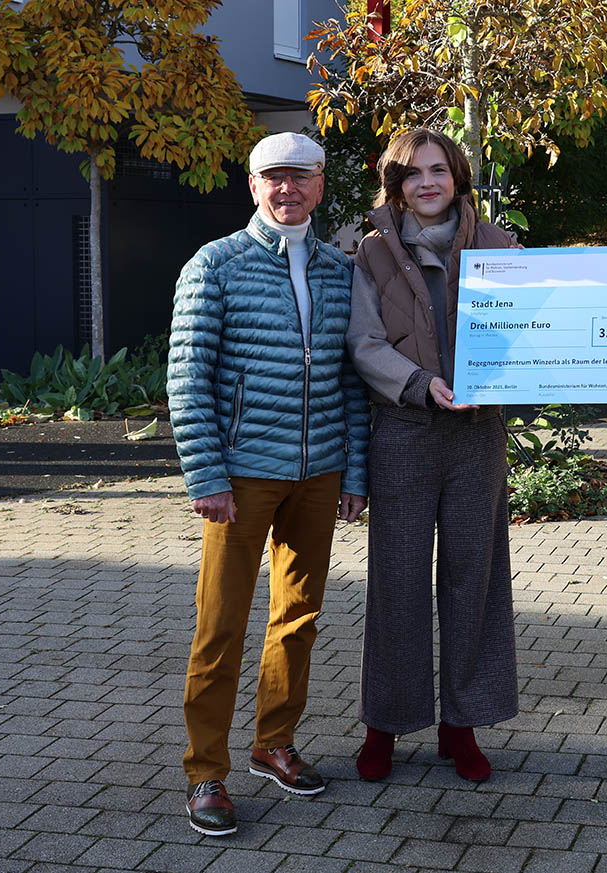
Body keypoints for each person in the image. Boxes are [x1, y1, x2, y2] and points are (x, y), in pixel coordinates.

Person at [168, 132, 370, 836]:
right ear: (252, 186)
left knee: (299, 616)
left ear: (320, 187)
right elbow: (187, 378)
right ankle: (205, 772)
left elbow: (352, 379)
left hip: (318, 473)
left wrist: (355, 471)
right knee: (219, 625)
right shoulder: (214, 265)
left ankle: (272, 741)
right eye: (273, 179)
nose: (288, 190)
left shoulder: (340, 270)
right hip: (241, 473)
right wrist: (206, 474)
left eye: (302, 178)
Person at [345, 128, 519, 784]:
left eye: (438, 170)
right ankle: (384, 724)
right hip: (405, 429)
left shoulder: (500, 246)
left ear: (458, 176)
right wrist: (421, 385)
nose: (427, 182)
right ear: (396, 184)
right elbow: (363, 343)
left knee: (473, 579)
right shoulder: (373, 252)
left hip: (477, 436)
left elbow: (531, 327)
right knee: (398, 579)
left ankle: (461, 725)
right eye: (413, 172)